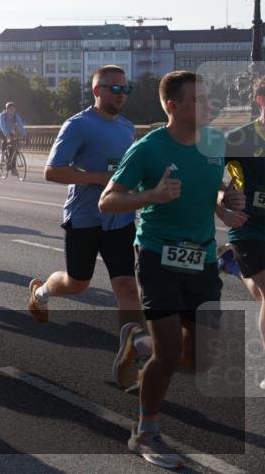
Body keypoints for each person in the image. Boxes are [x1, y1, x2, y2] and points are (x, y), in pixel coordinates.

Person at [99, 71, 246, 468]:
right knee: (168, 355)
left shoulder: (214, 142)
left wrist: (226, 197)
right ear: (172, 106)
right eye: (198, 100)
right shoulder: (149, 149)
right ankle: (145, 432)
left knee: (200, 359)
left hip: (202, 260)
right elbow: (107, 201)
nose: (208, 106)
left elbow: (217, 182)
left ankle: (139, 344)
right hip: (157, 255)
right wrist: (151, 195)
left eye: (208, 99)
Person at [30, 66, 145, 386]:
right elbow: (52, 171)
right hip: (84, 218)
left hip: (120, 220)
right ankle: (40, 292)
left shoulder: (128, 128)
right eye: (114, 89)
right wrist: (97, 178)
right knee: (77, 283)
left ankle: (130, 356)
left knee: (127, 288)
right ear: (97, 91)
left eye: (126, 89)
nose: (121, 95)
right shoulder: (78, 125)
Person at [222, 74, 265, 390]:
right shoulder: (240, 139)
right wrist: (223, 200)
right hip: (248, 228)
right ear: (261, 100)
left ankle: (233, 265)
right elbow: (206, 174)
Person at [0, 102, 27, 175]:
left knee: (13, 149)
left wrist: (24, 135)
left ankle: (12, 168)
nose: (12, 111)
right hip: (0, 131)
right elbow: (2, 125)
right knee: (5, 140)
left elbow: (20, 125)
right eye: (10, 109)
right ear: (7, 109)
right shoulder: (2, 115)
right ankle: (2, 154)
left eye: (13, 109)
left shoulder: (16, 116)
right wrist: (7, 135)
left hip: (10, 132)